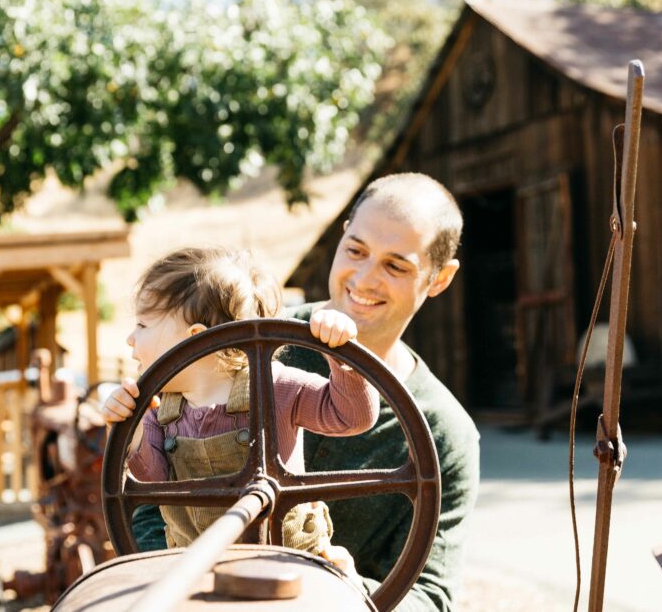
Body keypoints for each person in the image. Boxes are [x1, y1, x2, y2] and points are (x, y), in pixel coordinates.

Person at [131, 173, 481, 612]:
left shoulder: (445, 434)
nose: (366, 278)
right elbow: (150, 500)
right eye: (356, 250)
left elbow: (431, 596)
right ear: (341, 237)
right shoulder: (240, 343)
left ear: (439, 278)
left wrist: (356, 591)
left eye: (396, 265)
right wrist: (182, 584)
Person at [101, 246, 379, 557]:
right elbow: (152, 484)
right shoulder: (158, 413)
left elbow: (353, 416)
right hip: (198, 565)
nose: (130, 338)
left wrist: (341, 355)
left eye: (142, 325)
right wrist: (130, 431)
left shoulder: (275, 389)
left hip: (289, 562)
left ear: (194, 338)